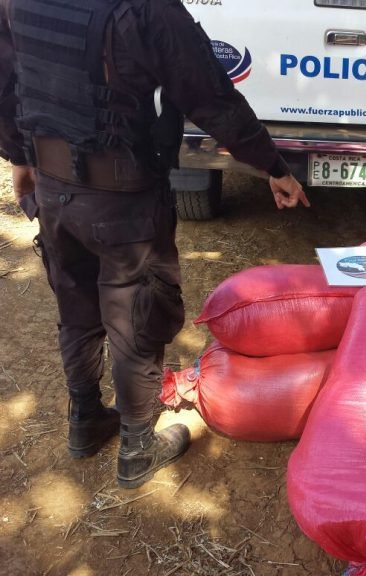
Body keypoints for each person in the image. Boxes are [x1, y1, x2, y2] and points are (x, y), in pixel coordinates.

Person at [0, 0, 309, 489]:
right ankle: (137, 447)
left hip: (54, 189)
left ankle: (84, 421)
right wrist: (273, 166)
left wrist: (18, 155)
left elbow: (8, 76)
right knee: (137, 318)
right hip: (124, 201)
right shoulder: (148, 10)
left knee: (76, 308)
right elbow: (213, 99)